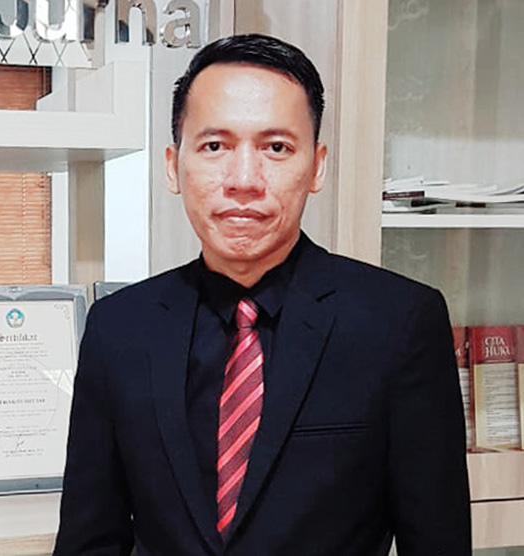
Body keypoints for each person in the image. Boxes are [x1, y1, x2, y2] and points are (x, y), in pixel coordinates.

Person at [54, 34, 471, 556]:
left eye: (276, 148)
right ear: (173, 165)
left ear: (316, 166)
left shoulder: (399, 323)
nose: (244, 179)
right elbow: (90, 540)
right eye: (215, 146)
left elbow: (437, 540)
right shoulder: (118, 328)